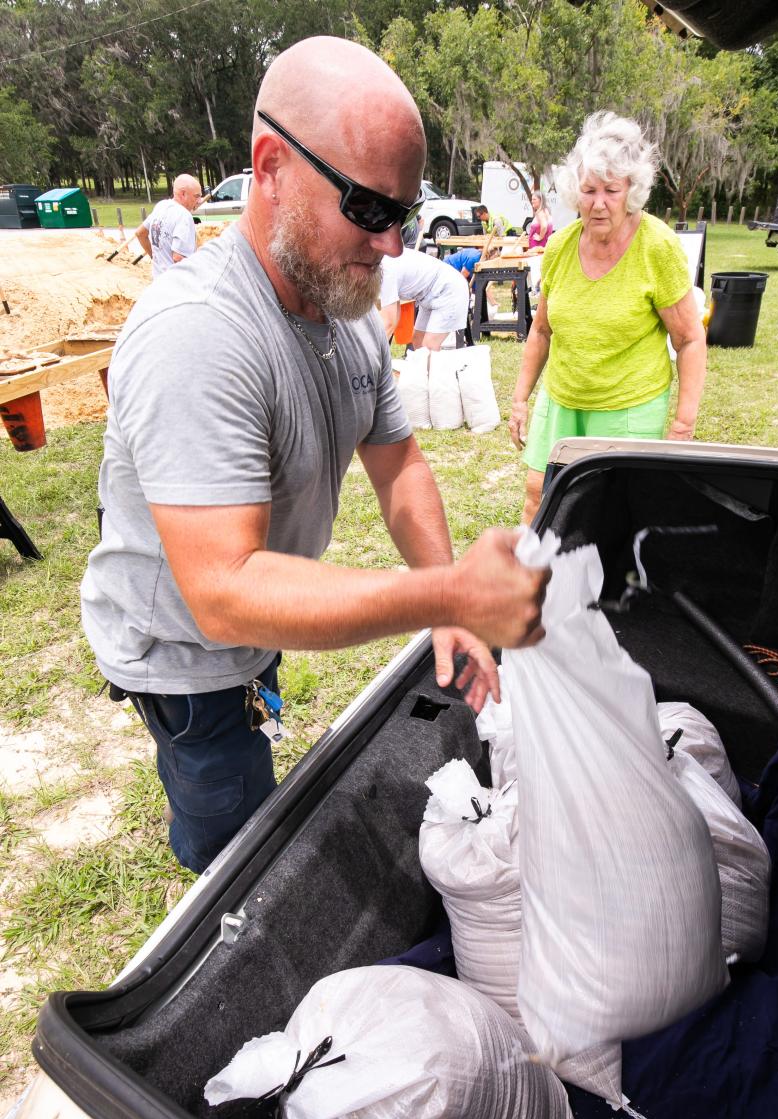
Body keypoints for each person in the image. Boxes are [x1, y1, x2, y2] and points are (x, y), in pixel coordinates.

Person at [80, 36, 547, 875]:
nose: (394, 244)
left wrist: (442, 604)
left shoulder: (349, 312)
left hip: (248, 632)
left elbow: (398, 463)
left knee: (254, 750)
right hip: (182, 654)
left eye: (402, 213)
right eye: (370, 209)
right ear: (269, 167)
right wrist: (444, 590)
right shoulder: (199, 334)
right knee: (233, 831)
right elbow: (225, 593)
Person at [508, 112, 706, 525]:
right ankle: (529, 586)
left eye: (611, 190)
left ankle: (606, 589)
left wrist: (683, 424)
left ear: (631, 190)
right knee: (537, 496)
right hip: (562, 397)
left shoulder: (658, 247)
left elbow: (689, 338)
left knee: (613, 510)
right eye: (589, 190)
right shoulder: (561, 245)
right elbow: (542, 330)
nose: (598, 203)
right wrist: (520, 398)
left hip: (628, 405)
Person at [378, 246, 469, 349]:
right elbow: (393, 313)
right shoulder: (379, 263)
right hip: (427, 295)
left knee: (429, 346)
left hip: (449, 289)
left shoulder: (384, 270)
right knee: (418, 342)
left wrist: (372, 355)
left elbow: (388, 323)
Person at [135, 174, 204, 277]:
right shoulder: (184, 216)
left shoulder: (161, 206)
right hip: (176, 285)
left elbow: (140, 233)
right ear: (183, 194)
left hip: (159, 281)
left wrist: (155, 259)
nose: (200, 200)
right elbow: (178, 258)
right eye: (197, 196)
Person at [525, 189, 553, 295]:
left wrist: (540, 237)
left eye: (534, 199)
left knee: (536, 267)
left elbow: (544, 225)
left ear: (540, 200)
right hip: (542, 245)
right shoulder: (546, 211)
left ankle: (537, 290)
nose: (532, 202)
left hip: (537, 246)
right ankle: (539, 289)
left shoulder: (540, 212)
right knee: (541, 267)